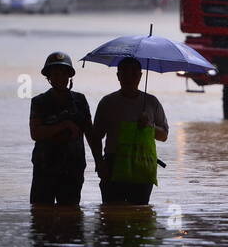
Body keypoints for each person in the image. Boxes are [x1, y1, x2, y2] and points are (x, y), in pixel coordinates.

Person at [92, 56, 168, 204]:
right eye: (124, 73)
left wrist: (149, 126)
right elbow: (96, 137)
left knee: (140, 215)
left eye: (134, 73)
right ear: (118, 75)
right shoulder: (108, 102)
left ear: (140, 76)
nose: (129, 77)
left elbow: (164, 136)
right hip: (113, 165)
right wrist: (99, 164)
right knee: (111, 217)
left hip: (143, 165)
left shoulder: (152, 102)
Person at [29, 52, 98, 205]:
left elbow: (90, 133)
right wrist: (64, 125)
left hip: (73, 167)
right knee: (41, 217)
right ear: (49, 77)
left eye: (63, 73)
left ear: (69, 76)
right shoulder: (39, 102)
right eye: (55, 74)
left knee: (71, 218)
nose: (60, 77)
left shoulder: (80, 101)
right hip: (45, 167)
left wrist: (99, 162)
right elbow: (35, 133)